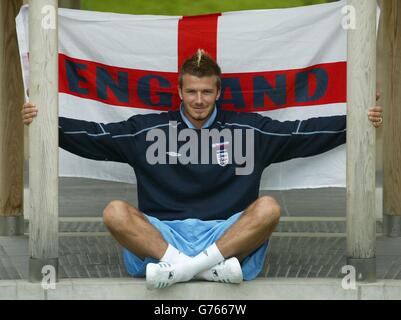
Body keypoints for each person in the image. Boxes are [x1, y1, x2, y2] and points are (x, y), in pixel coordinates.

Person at [22, 49, 383, 290]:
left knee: (269, 208)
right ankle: (194, 267)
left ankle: (182, 270)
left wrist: (357, 118)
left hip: (227, 237)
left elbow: (304, 133)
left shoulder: (249, 130)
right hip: (162, 238)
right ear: (179, 91)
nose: (199, 100)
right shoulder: (148, 131)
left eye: (206, 92)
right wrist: (43, 122)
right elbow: (93, 136)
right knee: (114, 212)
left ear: (218, 92)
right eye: (192, 91)